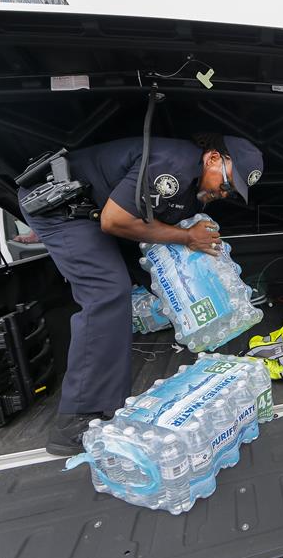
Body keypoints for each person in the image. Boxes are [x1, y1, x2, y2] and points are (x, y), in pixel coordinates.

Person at [18, 134, 263, 455]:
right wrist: (187, 236)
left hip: (92, 210)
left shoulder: (194, 191)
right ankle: (76, 419)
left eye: (231, 192)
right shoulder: (173, 164)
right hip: (60, 207)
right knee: (107, 291)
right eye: (227, 184)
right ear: (214, 158)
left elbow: (156, 234)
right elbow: (115, 221)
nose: (223, 193)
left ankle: (109, 402)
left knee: (149, 276)